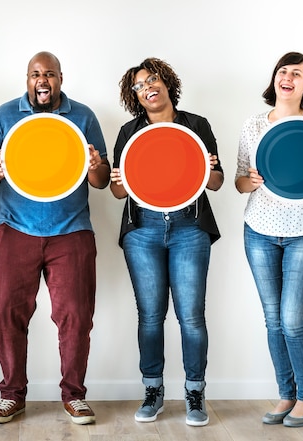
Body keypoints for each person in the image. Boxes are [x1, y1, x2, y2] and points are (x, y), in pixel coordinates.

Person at [0, 51, 110, 425]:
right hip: (14, 229)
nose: (42, 80)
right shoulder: (5, 115)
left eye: (49, 74)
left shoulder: (83, 117)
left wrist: (96, 166)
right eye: (36, 74)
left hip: (72, 231)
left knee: (77, 316)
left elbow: (100, 180)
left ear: (61, 78)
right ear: (27, 79)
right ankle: (11, 395)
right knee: (6, 315)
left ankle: (75, 396)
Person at [235, 52, 303, 428]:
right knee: (273, 320)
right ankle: (285, 394)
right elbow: (239, 182)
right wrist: (248, 181)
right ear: (275, 80)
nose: (287, 77)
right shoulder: (253, 125)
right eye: (283, 70)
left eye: (297, 73)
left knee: (293, 320)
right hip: (259, 232)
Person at [110, 57, 223, 427]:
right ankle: (153, 390)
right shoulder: (129, 132)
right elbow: (116, 190)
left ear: (166, 82)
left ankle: (194, 392)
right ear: (135, 96)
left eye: (153, 79)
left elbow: (217, 181)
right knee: (151, 316)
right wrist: (119, 180)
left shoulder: (196, 125)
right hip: (142, 230)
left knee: (191, 316)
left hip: (189, 227)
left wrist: (208, 168)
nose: (148, 87)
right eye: (140, 85)